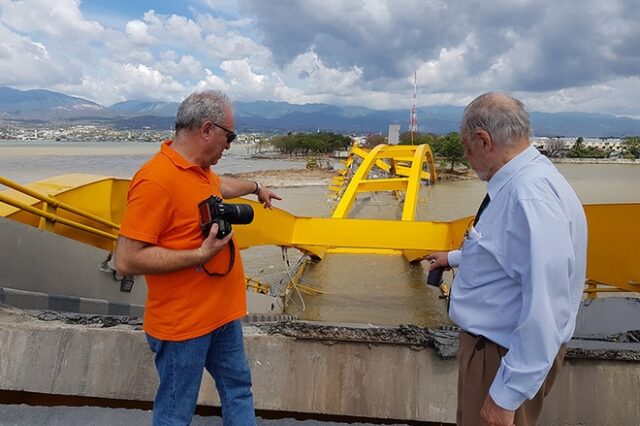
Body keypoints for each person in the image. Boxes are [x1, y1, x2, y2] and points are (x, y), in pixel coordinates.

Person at [115, 90, 281, 426]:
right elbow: (126, 259)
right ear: (207, 129)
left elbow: (223, 186)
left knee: (238, 389)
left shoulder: (201, 171)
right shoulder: (155, 180)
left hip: (222, 318)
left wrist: (256, 186)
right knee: (176, 411)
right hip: (183, 327)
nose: (229, 146)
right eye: (229, 136)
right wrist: (200, 254)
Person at [426, 92, 587, 426]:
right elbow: (505, 254)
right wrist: (454, 257)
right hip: (498, 354)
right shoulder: (528, 181)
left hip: (499, 359)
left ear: (484, 140)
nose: (467, 159)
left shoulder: (528, 197)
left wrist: (506, 395)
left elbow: (547, 305)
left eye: (466, 147)